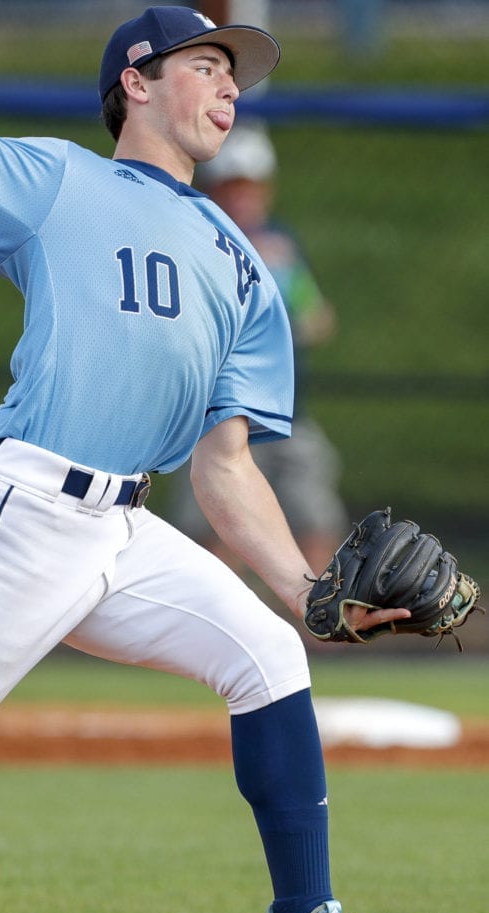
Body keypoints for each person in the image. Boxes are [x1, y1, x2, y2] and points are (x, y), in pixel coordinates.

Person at [0, 6, 431, 913]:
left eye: (237, 73)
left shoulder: (241, 267)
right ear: (135, 83)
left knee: (266, 655)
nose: (229, 85)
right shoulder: (60, 182)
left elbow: (223, 467)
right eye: (205, 64)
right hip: (19, 513)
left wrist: (309, 590)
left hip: (119, 530)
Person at [169, 124, 350, 577]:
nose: (244, 200)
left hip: (287, 411)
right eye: (232, 189)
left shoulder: (280, 245)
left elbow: (316, 323)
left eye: (252, 189)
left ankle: (324, 625)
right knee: (214, 526)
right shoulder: (195, 235)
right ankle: (215, 625)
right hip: (217, 414)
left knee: (315, 513)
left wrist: (280, 281)